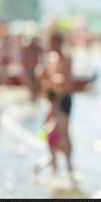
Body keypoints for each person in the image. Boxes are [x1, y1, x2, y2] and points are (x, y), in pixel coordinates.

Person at [36, 32, 74, 179]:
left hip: (64, 100)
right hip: (54, 101)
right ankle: (56, 166)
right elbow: (47, 82)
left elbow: (65, 81)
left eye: (52, 42)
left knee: (61, 134)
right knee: (50, 133)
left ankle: (67, 166)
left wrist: (48, 77)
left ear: (58, 43)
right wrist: (43, 77)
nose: (49, 46)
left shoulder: (66, 58)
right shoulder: (52, 59)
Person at [21, 36, 42, 102]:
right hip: (30, 68)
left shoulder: (37, 48)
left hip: (35, 68)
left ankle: (34, 96)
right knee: (30, 83)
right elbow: (24, 59)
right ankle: (32, 95)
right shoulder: (27, 48)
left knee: (35, 83)